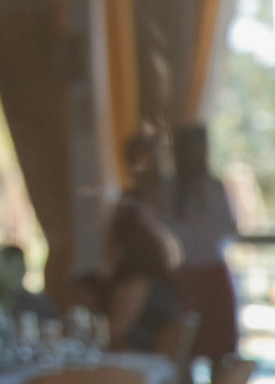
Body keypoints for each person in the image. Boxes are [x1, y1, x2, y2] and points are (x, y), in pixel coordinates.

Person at [166, 124, 239, 369]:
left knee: (220, 350)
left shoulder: (214, 188)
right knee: (184, 350)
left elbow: (228, 228)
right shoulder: (170, 190)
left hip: (213, 274)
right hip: (183, 278)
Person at [104, 200, 182, 352]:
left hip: (137, 364)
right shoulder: (155, 277)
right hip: (155, 364)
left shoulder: (135, 284)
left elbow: (113, 335)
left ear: (123, 245)